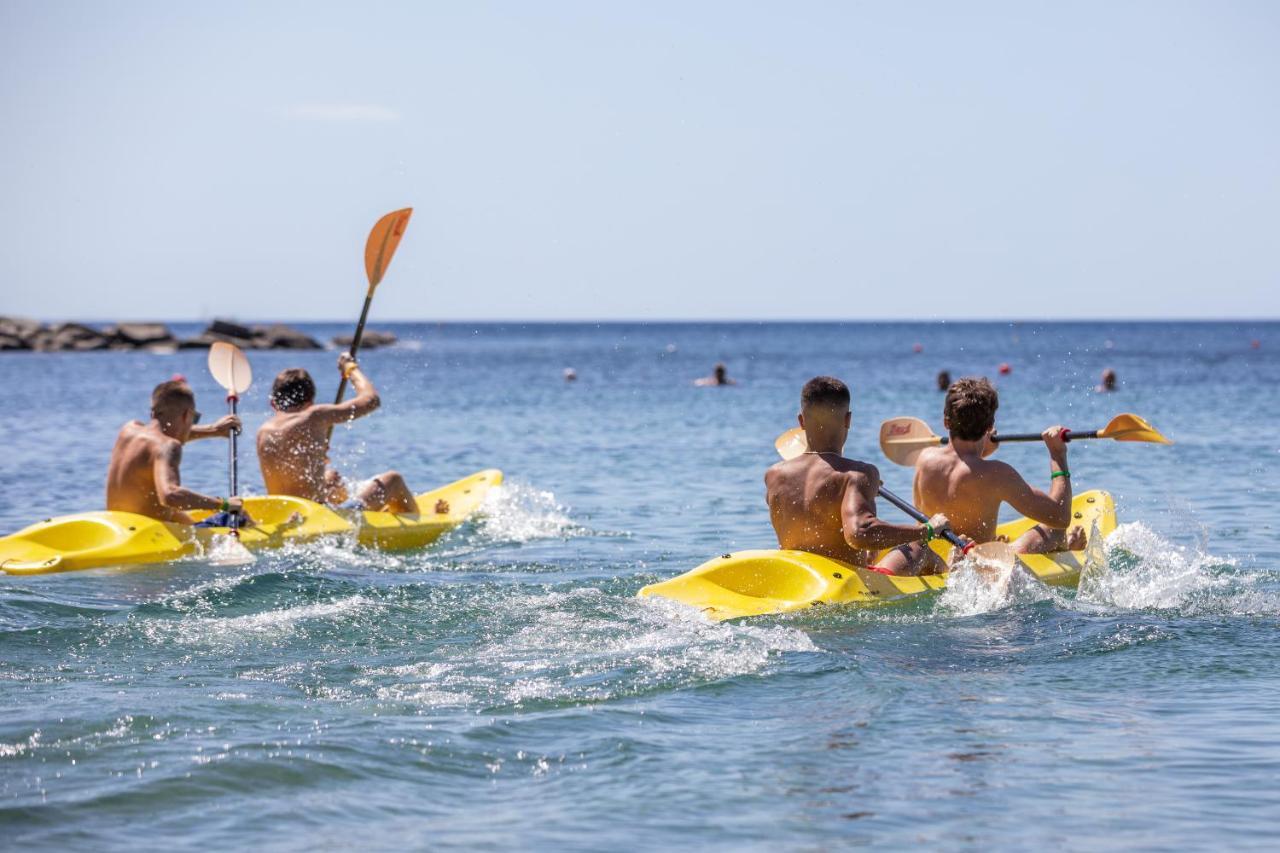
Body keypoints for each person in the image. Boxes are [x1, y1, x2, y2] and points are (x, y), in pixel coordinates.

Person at [879, 377, 1084, 574]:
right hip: (976, 564)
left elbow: (960, 466)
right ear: (989, 426)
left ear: (946, 422)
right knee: (1053, 530)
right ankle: (1066, 548)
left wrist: (983, 449)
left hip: (933, 561)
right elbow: (1060, 516)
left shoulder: (925, 459)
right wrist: (1057, 454)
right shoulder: (997, 474)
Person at [764, 376, 953, 574]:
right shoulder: (857, 474)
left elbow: (813, 509)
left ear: (801, 421)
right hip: (844, 584)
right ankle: (953, 574)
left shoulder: (774, 475)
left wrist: (863, 492)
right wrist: (928, 530)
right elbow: (860, 533)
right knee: (919, 546)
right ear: (848, 420)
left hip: (799, 578)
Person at [257, 353, 441, 514]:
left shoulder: (263, 431)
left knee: (333, 479)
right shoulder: (314, 415)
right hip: (316, 517)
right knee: (393, 479)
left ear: (273, 403)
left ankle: (371, 510)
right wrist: (350, 369)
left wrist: (317, 455)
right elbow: (371, 400)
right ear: (311, 401)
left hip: (285, 513)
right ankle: (417, 520)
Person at [105, 379, 247, 524]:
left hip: (119, 526)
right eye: (194, 419)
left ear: (153, 413)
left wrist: (213, 430)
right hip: (150, 535)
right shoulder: (168, 446)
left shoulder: (128, 430)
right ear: (186, 415)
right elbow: (170, 495)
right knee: (239, 517)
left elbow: (162, 435)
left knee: (181, 517)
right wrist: (223, 504)